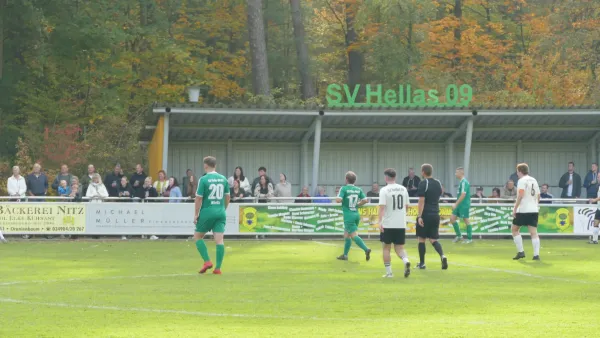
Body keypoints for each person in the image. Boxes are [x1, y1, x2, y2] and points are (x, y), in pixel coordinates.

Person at [194, 156, 230, 275]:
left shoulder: (203, 179)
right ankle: (218, 268)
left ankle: (207, 261)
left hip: (207, 212)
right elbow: (227, 196)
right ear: (215, 165)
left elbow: (199, 198)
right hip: (220, 212)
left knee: (198, 236)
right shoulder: (223, 179)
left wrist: (196, 214)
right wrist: (223, 209)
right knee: (219, 240)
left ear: (205, 165)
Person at [378, 168, 411, 278]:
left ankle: (389, 273)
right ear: (395, 177)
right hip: (401, 223)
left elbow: (382, 208)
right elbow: (407, 206)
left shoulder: (384, 190)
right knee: (400, 248)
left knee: (386, 248)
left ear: (386, 177)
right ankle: (406, 260)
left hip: (388, 223)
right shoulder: (403, 189)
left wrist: (379, 222)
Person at [416, 163, 448, 270]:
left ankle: (422, 263)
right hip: (435, 214)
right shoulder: (438, 183)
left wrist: (419, 216)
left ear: (423, 172)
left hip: (426, 214)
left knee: (421, 239)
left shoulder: (423, 183)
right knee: (433, 239)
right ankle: (442, 255)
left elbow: (421, 200)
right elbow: (438, 195)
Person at [336, 171, 371, 261]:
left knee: (353, 235)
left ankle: (366, 249)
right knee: (346, 235)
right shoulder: (358, 189)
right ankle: (345, 255)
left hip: (348, 215)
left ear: (346, 179)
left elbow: (338, 200)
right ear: (354, 180)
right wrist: (357, 205)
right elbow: (365, 200)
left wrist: (340, 198)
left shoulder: (343, 188)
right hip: (356, 214)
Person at [511, 163, 541, 261]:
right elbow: (538, 195)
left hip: (523, 209)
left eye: (517, 171)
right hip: (534, 209)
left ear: (519, 171)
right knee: (533, 232)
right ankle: (536, 255)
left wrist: (515, 208)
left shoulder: (521, 181)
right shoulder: (534, 180)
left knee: (514, 229)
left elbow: (521, 194)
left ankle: (521, 252)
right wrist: (535, 204)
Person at [451, 167, 472, 244]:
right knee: (452, 219)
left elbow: (463, 194)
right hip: (459, 204)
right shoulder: (461, 182)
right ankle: (459, 236)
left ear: (461, 173)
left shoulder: (464, 182)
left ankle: (469, 238)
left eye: (456, 172)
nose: (455, 174)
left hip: (463, 204)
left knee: (466, 220)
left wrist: (455, 204)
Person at [587, 172, 600, 244]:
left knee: (596, 223)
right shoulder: (598, 186)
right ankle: (595, 240)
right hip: (599, 208)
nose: (598, 178)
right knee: (595, 223)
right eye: (598, 177)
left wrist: (594, 200)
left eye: (599, 177)